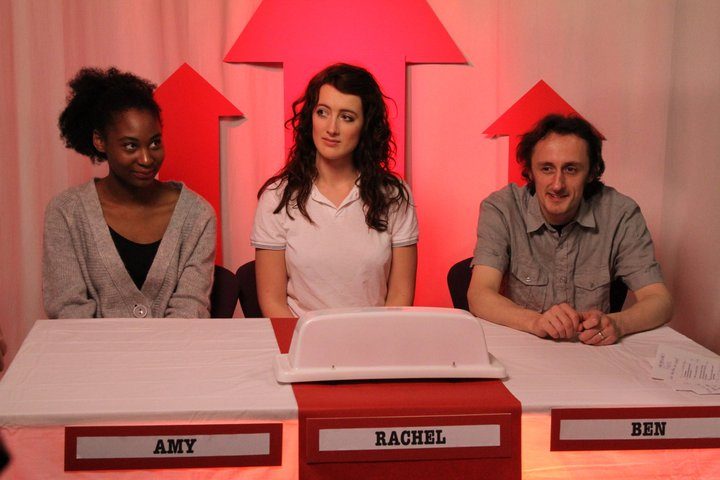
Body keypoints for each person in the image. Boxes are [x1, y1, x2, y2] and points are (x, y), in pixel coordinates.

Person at [468, 114, 672, 345]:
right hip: (522, 349)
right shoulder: (502, 208)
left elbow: (660, 300)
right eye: (546, 168)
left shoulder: (621, 214)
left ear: (592, 172)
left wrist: (618, 323)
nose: (557, 184)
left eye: (571, 169)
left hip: (593, 354)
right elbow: (479, 295)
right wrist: (535, 322)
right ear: (531, 171)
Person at [43, 67, 216, 318]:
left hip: (175, 344)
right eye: (130, 146)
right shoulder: (66, 213)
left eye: (155, 143)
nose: (146, 159)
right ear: (100, 141)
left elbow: (190, 306)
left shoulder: (197, 215)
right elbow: (68, 310)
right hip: (87, 345)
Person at [251, 63, 418, 317]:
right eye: (322, 112)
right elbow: (273, 302)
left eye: (346, 117)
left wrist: (376, 338)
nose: (331, 128)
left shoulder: (394, 196)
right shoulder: (276, 197)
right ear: (310, 117)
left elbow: (400, 296)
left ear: (365, 126)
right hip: (300, 336)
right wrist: (304, 340)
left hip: (375, 336)